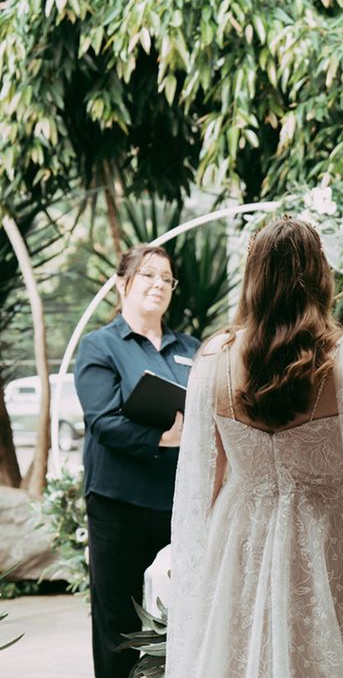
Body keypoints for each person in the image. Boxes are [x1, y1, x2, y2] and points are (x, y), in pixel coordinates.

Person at [166, 217, 343, 677]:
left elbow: (203, 487)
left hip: (243, 548)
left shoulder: (213, 361)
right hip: (333, 547)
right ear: (320, 276)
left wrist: (197, 568)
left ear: (252, 279)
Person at [74, 245, 200, 678]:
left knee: (182, 614)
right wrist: (164, 437)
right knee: (119, 622)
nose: (159, 285)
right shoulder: (100, 347)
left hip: (178, 504)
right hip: (118, 504)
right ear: (122, 283)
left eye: (166, 279)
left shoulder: (192, 349)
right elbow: (103, 421)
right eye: (148, 275)